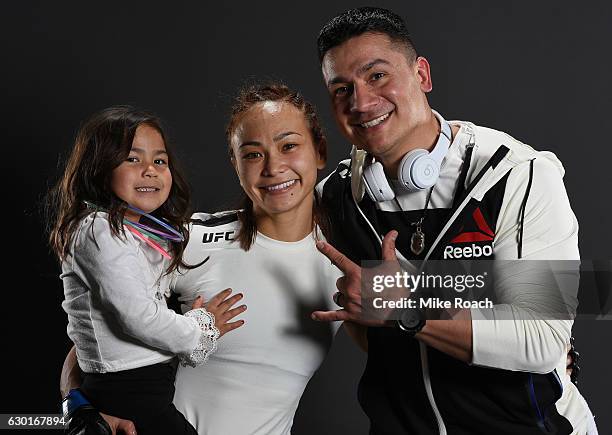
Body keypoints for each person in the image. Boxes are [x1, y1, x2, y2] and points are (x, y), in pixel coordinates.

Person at [312, 7, 597, 434]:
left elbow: (542, 339)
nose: (361, 102)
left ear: (421, 75)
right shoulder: (336, 195)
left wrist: (406, 304)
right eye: (341, 89)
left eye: (377, 76)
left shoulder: (517, 173)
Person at [60, 86, 344, 435]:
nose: (273, 167)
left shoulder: (348, 261)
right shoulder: (186, 240)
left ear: (320, 151)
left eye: (289, 146)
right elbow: (96, 333)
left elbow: (406, 337)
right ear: (235, 163)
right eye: (253, 154)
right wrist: (80, 409)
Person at [50, 106, 246, 435]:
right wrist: (200, 328)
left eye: (160, 161)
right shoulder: (98, 229)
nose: (150, 171)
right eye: (133, 159)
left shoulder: (143, 232)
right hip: (127, 393)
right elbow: (136, 315)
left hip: (148, 391)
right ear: (99, 168)